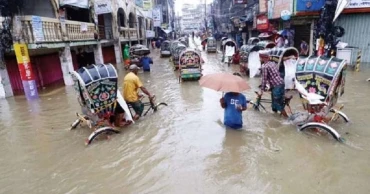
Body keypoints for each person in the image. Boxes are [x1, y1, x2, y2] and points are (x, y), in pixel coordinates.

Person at [258, 50, 288, 117]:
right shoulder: (273, 63)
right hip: (281, 83)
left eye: (260, 58)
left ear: (262, 58)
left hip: (276, 86)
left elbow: (264, 79)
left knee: (277, 104)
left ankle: (287, 118)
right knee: (275, 105)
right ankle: (276, 117)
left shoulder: (264, 66)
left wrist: (261, 91)